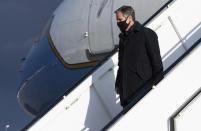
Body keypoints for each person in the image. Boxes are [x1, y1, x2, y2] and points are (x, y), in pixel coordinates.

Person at [114, 5, 164, 108]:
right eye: (117, 20)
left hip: (143, 92)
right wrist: (118, 83)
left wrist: (156, 89)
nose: (118, 23)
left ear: (130, 18)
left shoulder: (146, 34)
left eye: (120, 20)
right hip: (127, 95)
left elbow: (157, 64)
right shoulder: (123, 39)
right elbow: (121, 64)